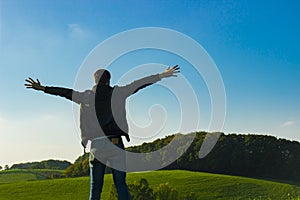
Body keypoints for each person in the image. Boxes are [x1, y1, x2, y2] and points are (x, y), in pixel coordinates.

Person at [24, 65, 180, 200]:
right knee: (121, 186)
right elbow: (139, 84)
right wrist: (162, 75)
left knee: (95, 189)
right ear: (108, 80)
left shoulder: (85, 96)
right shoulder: (118, 93)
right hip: (115, 144)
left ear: (95, 81)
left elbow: (64, 92)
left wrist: (43, 88)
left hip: (96, 147)